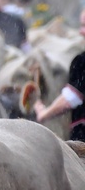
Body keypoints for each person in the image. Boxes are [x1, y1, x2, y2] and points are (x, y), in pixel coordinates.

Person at [34, 9, 85, 141]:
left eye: (84, 26)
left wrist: (44, 113)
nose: (80, 32)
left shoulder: (82, 61)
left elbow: (70, 99)